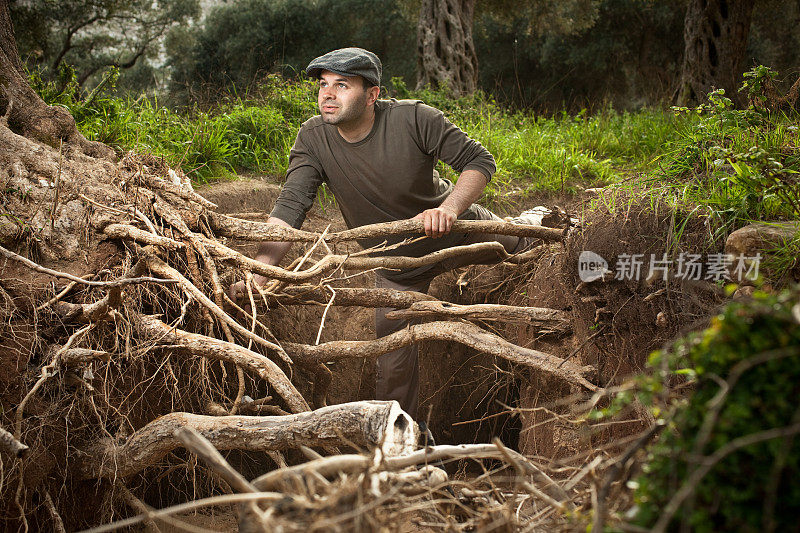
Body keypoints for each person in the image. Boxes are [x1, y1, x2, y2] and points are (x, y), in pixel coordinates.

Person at [232, 47, 530, 421]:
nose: (327, 94)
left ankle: (540, 224)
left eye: (342, 85)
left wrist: (449, 209)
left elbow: (480, 161)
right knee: (393, 367)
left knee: (527, 249)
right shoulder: (313, 138)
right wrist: (264, 269)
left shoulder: (414, 118)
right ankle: (401, 450)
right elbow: (290, 207)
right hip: (396, 269)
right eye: (324, 85)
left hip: (459, 231)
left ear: (372, 95)